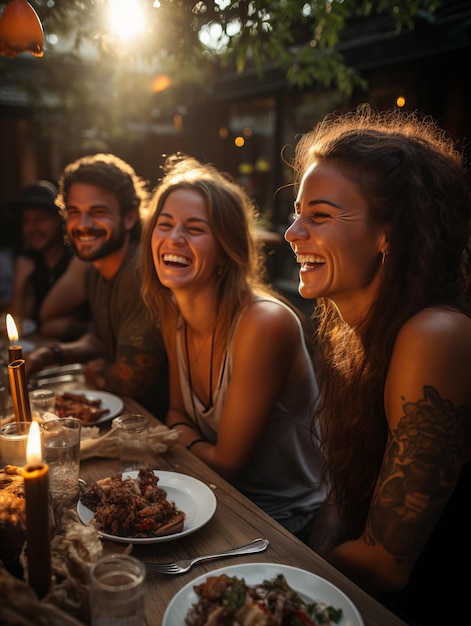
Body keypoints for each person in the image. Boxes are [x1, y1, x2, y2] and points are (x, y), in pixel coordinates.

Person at [284, 104, 471, 626]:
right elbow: (346, 502)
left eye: (319, 215)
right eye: (297, 212)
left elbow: (388, 565)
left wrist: (287, 567)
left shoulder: (434, 334)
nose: (292, 232)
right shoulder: (358, 332)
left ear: (390, 234)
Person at [140, 154, 325, 539]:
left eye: (194, 229)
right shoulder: (173, 312)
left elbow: (227, 463)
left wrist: (177, 433)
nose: (174, 238)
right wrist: (183, 432)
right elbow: (176, 411)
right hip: (208, 495)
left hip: (284, 520)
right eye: (165, 224)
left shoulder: (263, 323)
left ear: (225, 249)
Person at [25, 154, 169, 419]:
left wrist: (102, 373)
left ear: (128, 218)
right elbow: (102, 341)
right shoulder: (94, 270)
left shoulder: (140, 272)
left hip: (151, 427)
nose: (83, 224)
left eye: (98, 212)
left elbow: (130, 380)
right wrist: (51, 354)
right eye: (74, 212)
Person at [7, 180, 91, 340]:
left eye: (39, 220)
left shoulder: (78, 258)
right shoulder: (29, 262)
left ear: (59, 220)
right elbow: (18, 325)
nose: (32, 229)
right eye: (26, 221)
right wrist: (19, 283)